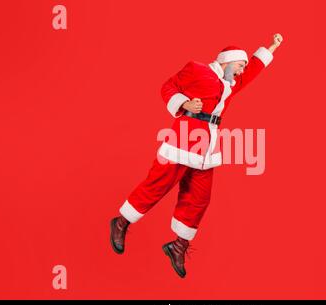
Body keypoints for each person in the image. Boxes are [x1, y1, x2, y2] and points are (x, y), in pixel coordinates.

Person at [110, 34, 284, 278]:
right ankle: (121, 222)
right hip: (182, 141)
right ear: (226, 62)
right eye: (239, 65)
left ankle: (177, 246)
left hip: (206, 149)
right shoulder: (197, 69)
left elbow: (253, 69)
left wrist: (272, 47)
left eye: (243, 66)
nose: (242, 71)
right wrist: (184, 104)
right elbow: (167, 86)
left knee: (199, 198)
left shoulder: (230, 86)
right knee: (157, 186)